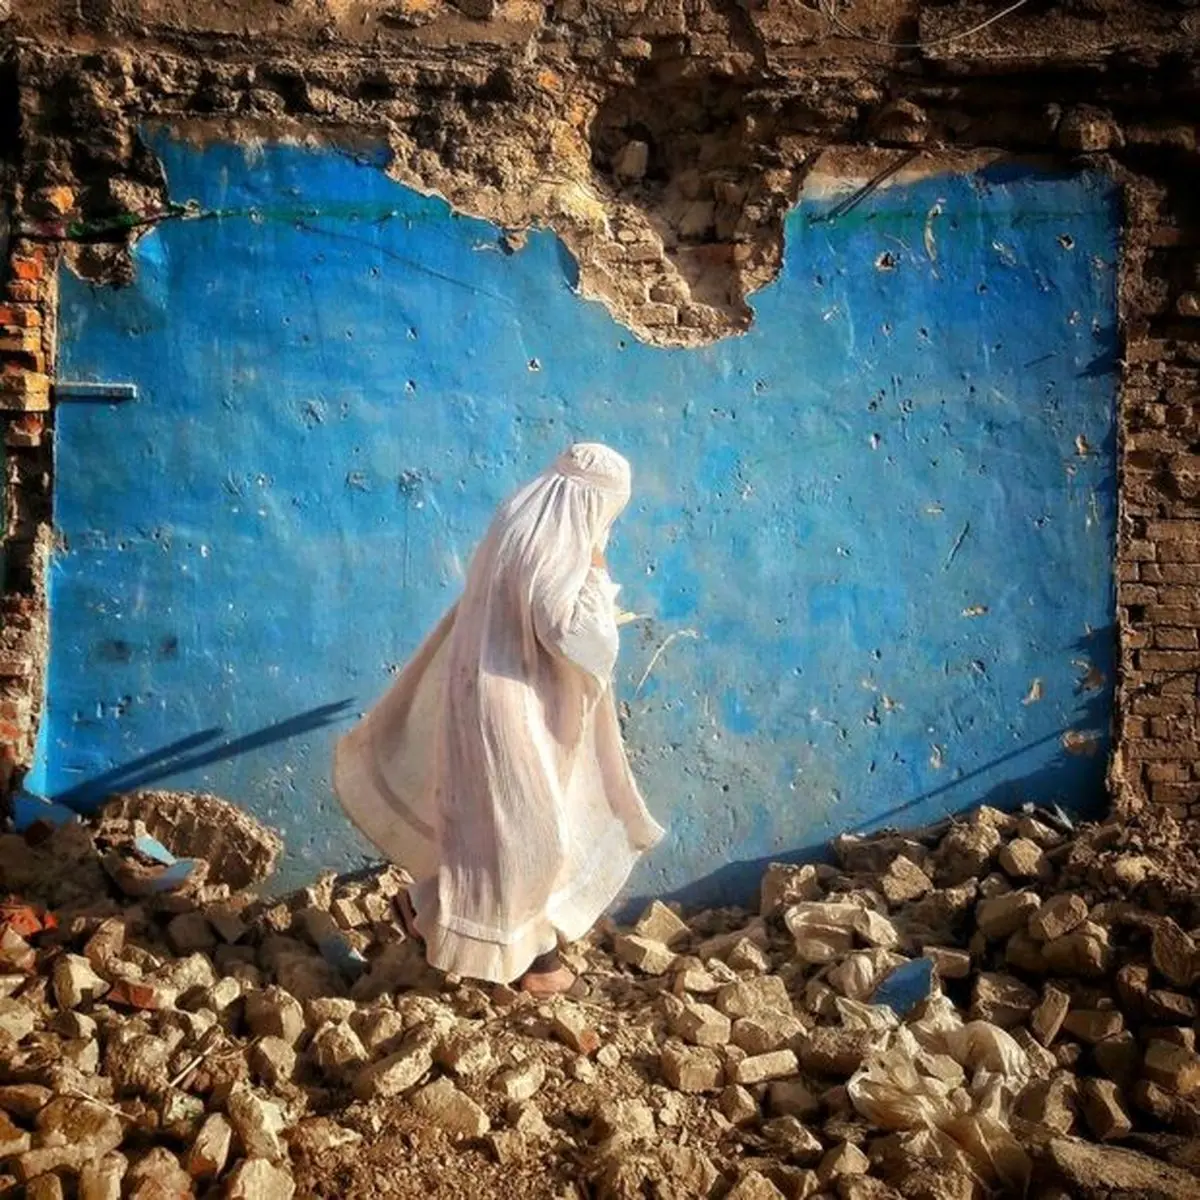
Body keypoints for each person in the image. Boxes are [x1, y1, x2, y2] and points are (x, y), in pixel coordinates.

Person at [334, 442, 664, 996]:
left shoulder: (519, 519)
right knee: (532, 839)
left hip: (489, 690)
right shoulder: (560, 543)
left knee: (496, 833)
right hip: (510, 705)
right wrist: (598, 570)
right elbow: (576, 635)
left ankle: (428, 911)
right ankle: (537, 968)